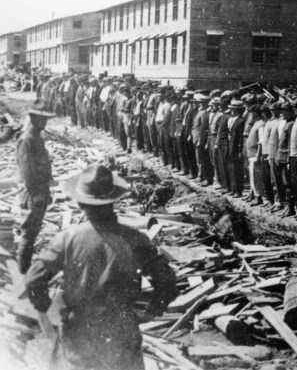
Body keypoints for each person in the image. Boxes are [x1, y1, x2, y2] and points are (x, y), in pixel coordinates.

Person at [25, 164, 177, 370]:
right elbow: (166, 280)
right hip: (121, 332)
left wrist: (48, 309)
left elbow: (34, 280)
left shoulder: (67, 239)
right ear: (113, 201)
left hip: (78, 334)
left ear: (80, 203)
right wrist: (152, 311)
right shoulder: (135, 239)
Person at [16, 99, 56, 274]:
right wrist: (37, 196)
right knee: (28, 234)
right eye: (43, 118)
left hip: (40, 192)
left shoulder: (36, 138)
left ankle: (26, 268)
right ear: (33, 118)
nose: (45, 122)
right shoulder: (27, 140)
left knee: (33, 233)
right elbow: (27, 173)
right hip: (33, 195)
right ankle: (24, 272)